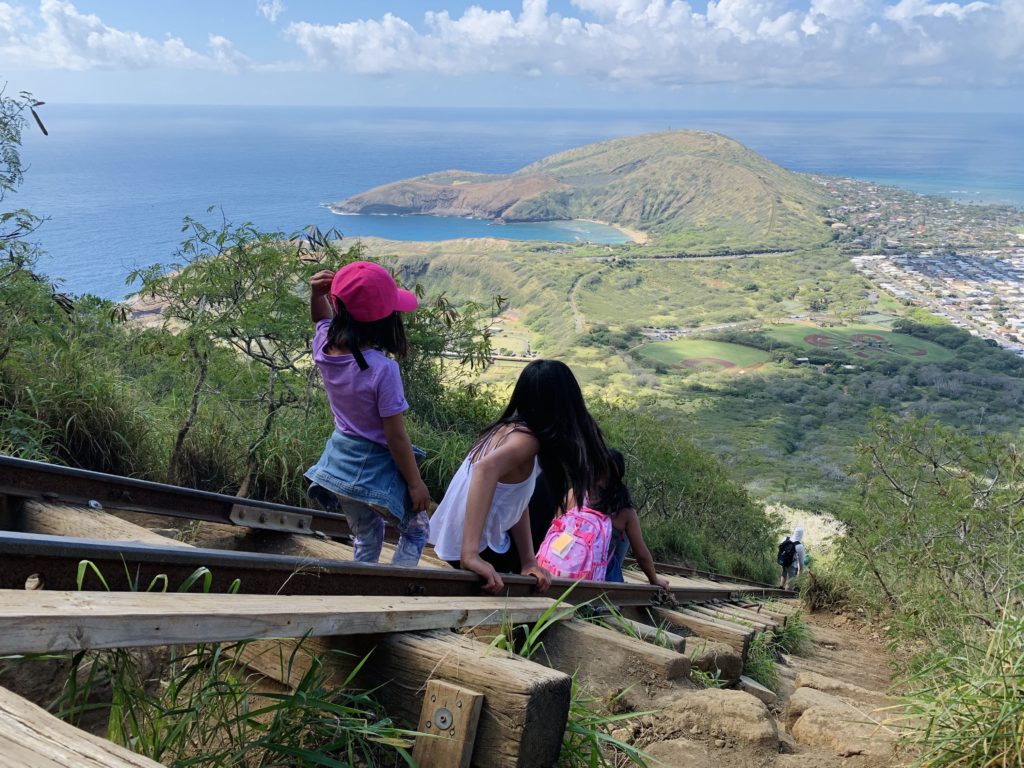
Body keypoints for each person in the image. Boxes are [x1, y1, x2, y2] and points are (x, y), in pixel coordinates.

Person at [429, 359, 609, 594]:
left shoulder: (504, 429)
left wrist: (528, 562)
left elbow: (515, 499)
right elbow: (485, 470)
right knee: (547, 494)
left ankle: (524, 562)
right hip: (476, 548)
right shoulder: (527, 440)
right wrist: (470, 555)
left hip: (452, 542)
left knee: (539, 490)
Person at [304, 261, 431, 566]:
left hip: (340, 461)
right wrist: (416, 484)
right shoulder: (383, 370)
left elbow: (321, 320)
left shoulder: (324, 346)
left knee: (366, 534)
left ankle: (362, 583)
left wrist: (315, 296)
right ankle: (397, 593)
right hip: (374, 467)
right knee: (417, 531)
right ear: (386, 321)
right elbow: (395, 435)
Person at [600, 449, 670, 590]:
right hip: (597, 575)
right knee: (621, 534)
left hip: (558, 566)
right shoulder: (625, 512)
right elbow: (641, 555)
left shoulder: (573, 495)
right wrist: (654, 579)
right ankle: (613, 578)